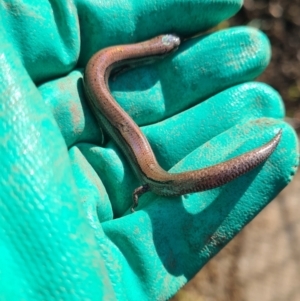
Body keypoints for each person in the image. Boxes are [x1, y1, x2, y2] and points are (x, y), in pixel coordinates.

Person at [0, 0, 298, 299]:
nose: (175, 44)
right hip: (153, 178)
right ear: (160, 50)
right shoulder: (114, 61)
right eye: (172, 46)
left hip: (153, 177)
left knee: (155, 172)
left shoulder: (110, 60)